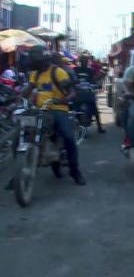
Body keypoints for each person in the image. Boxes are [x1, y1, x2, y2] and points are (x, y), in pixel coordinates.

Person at [21, 45, 86, 185]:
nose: (33, 65)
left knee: (68, 137)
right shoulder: (35, 74)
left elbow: (72, 92)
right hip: (40, 110)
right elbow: (29, 88)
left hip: (58, 109)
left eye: (35, 62)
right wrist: (17, 96)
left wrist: (64, 99)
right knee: (27, 131)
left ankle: (75, 171)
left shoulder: (58, 72)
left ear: (42, 60)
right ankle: (26, 169)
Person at [75, 55, 106, 133]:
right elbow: (72, 79)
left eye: (85, 61)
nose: (84, 62)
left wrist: (97, 84)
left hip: (88, 93)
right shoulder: (75, 69)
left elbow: (94, 80)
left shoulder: (90, 71)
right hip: (78, 94)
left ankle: (99, 127)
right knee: (72, 109)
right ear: (80, 62)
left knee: (95, 110)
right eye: (83, 61)